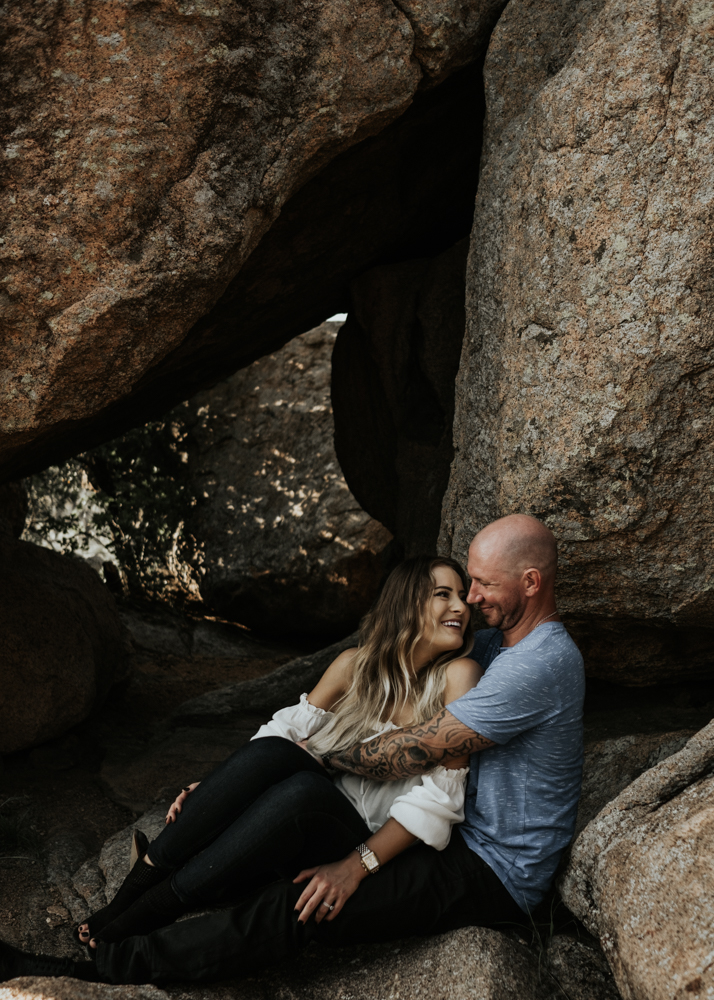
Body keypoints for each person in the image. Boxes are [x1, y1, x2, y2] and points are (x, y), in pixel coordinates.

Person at [0, 514, 585, 987]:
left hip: (492, 870)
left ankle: (100, 968)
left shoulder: (540, 662)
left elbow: (421, 754)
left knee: (302, 905)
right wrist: (233, 783)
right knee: (283, 775)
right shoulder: (486, 639)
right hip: (428, 833)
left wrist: (355, 864)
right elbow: (392, 655)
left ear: (531, 583)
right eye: (463, 586)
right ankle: (133, 908)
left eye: (483, 585)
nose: (472, 597)